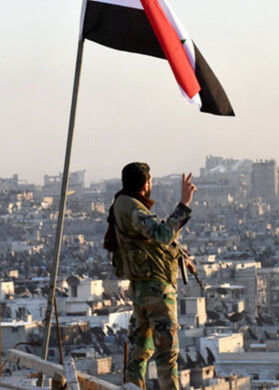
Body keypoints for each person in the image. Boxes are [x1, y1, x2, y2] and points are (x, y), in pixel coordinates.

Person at [105, 162, 197, 390]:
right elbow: (162, 234)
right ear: (146, 184)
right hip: (156, 290)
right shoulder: (134, 208)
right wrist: (184, 204)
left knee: (139, 352)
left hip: (141, 288)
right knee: (166, 354)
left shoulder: (121, 203)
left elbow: (148, 242)